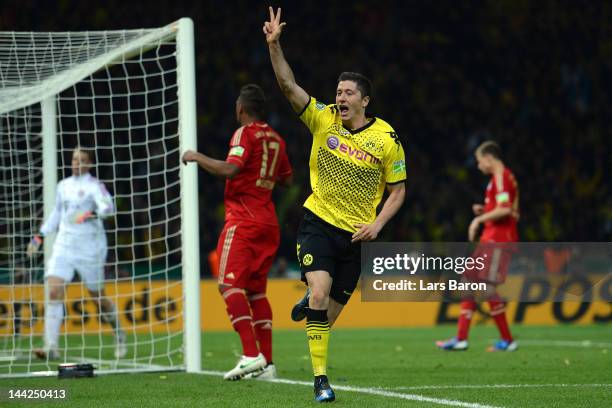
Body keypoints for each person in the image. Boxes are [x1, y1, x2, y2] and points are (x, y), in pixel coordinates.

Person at [264, 7, 406, 402]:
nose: (339, 97)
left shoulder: (387, 139)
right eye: (338, 91)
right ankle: (321, 381)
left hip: (358, 235)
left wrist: (378, 225)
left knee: (326, 318)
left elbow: (398, 190)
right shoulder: (323, 119)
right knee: (321, 294)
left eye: (347, 93)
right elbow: (289, 86)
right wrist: (275, 46)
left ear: (364, 100)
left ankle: (311, 297)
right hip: (318, 222)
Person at [182, 84, 293, 381]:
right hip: (269, 223)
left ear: (241, 109)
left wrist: (196, 156)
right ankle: (267, 364)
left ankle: (249, 355)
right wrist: (262, 177)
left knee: (228, 285)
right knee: (256, 291)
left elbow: (230, 170)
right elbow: (287, 178)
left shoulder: (245, 133)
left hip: (244, 219)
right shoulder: (277, 139)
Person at [27, 147, 126, 360]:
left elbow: (109, 208)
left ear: (89, 163)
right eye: (74, 159)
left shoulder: (94, 186)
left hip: (90, 248)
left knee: (98, 298)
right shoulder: (63, 186)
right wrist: (39, 237)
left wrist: (89, 214)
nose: (76, 163)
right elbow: (56, 214)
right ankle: (51, 346)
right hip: (64, 245)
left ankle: (119, 333)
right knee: (53, 291)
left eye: (81, 160)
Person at [436, 140, 519, 352]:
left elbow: (506, 210)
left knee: (488, 288)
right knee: (468, 281)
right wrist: (486, 210)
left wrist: (478, 220)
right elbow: (502, 207)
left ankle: (508, 341)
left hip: (498, 240)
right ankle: (461, 338)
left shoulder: (500, 177)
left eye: (479, 160)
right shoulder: (499, 179)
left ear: (489, 158)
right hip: (489, 238)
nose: (478, 165)